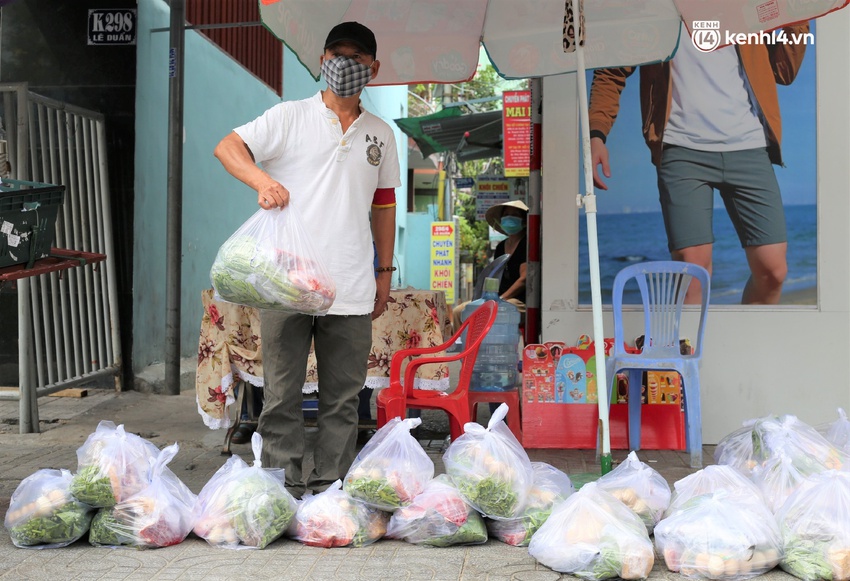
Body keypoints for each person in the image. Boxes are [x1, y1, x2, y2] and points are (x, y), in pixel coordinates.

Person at [213, 21, 400, 498]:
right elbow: (228, 147)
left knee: (343, 399)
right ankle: (281, 487)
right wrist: (261, 182)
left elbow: (384, 207)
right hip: (285, 280)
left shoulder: (380, 134)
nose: (343, 65)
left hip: (352, 282)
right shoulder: (287, 117)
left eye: (355, 58)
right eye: (335, 54)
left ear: (372, 69)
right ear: (321, 60)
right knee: (280, 396)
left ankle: (331, 490)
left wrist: (384, 274)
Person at [588, 23, 809, 304]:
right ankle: (694, 348)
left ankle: (750, 343)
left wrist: (798, 19)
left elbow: (783, 72)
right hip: (682, 147)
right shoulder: (653, 10)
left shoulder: (749, 6)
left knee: (773, 271)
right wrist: (597, 133)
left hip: (749, 145)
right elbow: (611, 71)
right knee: (692, 274)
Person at [452, 200, 528, 331]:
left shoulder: (526, 244)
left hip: (518, 301)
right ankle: (465, 348)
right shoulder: (500, 247)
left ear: (523, 220)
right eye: (506, 214)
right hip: (497, 298)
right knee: (458, 311)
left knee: (494, 312)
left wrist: (502, 298)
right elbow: (495, 275)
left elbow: (524, 279)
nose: (509, 217)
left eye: (514, 214)